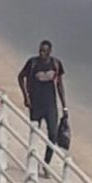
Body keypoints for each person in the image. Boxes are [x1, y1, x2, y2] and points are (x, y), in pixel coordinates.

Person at [17, 40, 67, 174]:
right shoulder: (32, 63)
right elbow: (20, 77)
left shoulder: (56, 64)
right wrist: (26, 97)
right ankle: (32, 162)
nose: (42, 53)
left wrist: (64, 107)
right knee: (35, 134)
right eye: (40, 50)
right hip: (35, 105)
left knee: (53, 134)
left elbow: (60, 85)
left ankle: (46, 163)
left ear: (50, 52)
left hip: (51, 105)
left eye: (44, 51)